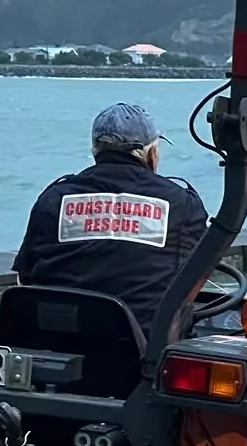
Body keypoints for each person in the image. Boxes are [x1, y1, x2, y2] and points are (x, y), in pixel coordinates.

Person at [13, 102, 209, 333]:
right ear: (152, 153)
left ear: (96, 151)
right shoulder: (180, 203)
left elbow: (25, 279)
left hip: (55, 344)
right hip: (142, 353)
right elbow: (198, 273)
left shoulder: (54, 198)